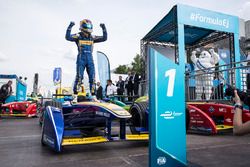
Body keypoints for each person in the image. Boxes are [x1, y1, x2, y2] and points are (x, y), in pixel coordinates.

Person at [65, 19, 107, 95]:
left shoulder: (92, 37)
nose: (89, 28)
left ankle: (93, 96)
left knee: (93, 78)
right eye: (87, 26)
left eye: (90, 26)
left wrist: (103, 28)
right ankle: (75, 95)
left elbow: (104, 38)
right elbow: (67, 37)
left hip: (90, 60)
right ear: (82, 27)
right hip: (81, 59)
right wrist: (70, 26)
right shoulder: (78, 36)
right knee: (79, 78)